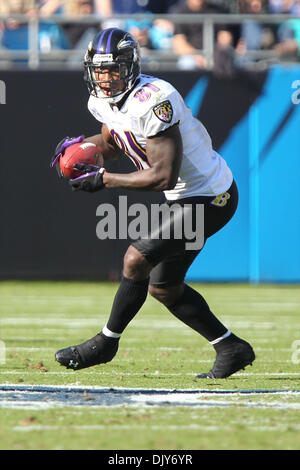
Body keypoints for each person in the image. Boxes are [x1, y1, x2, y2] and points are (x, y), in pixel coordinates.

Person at [51, 27, 255, 379]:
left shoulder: (155, 98)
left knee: (136, 259)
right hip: (185, 197)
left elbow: (162, 175)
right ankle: (231, 347)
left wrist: (103, 179)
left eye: (113, 70)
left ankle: (105, 343)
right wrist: (84, 151)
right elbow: (117, 140)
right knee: (164, 287)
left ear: (130, 67)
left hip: (212, 196)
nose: (106, 79)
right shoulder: (101, 101)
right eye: (99, 71)